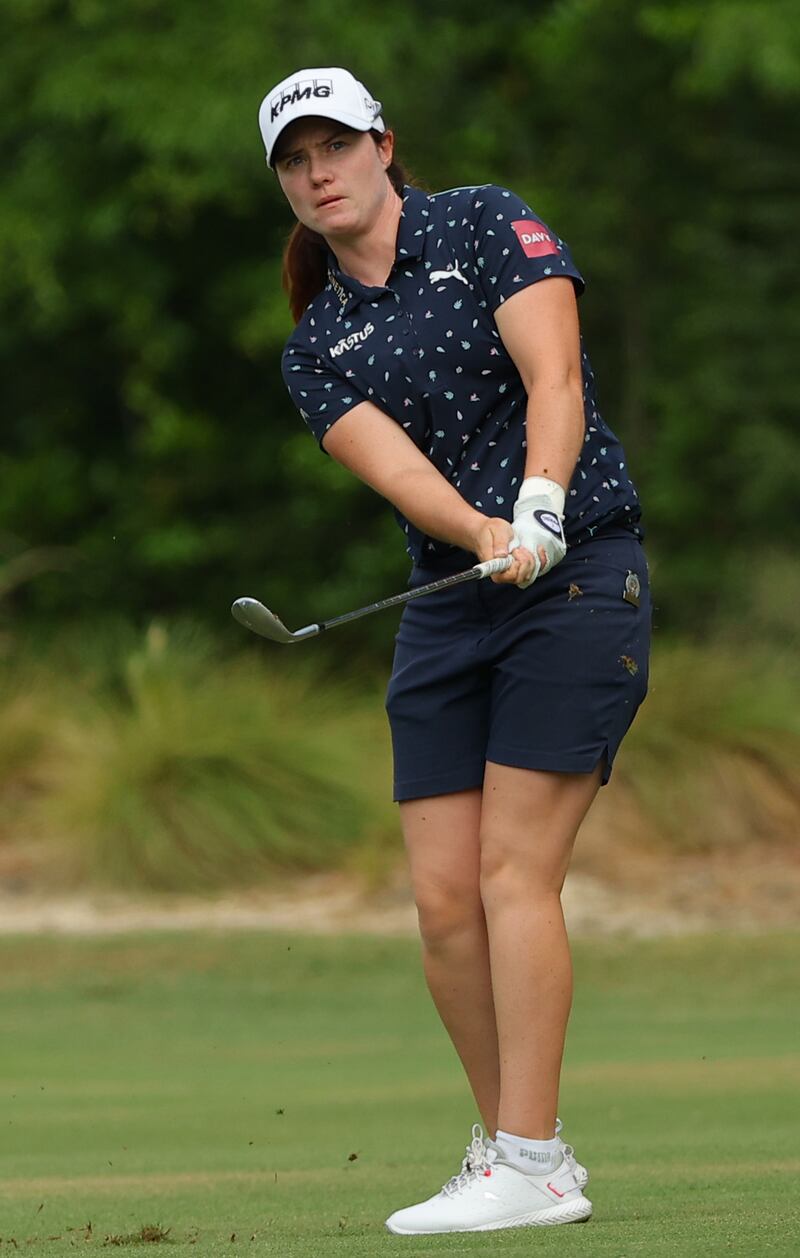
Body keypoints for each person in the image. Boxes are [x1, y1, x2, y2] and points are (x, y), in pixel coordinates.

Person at [257, 66, 650, 1235]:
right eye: (293, 158)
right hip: (450, 596)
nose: (317, 171)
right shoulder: (316, 340)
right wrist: (483, 532)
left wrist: (536, 504)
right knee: (440, 901)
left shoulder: (482, 221)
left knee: (509, 874)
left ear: (382, 144)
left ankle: (525, 1150)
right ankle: (517, 1155)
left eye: (334, 144)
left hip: (576, 576)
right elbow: (397, 472)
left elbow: (555, 373)